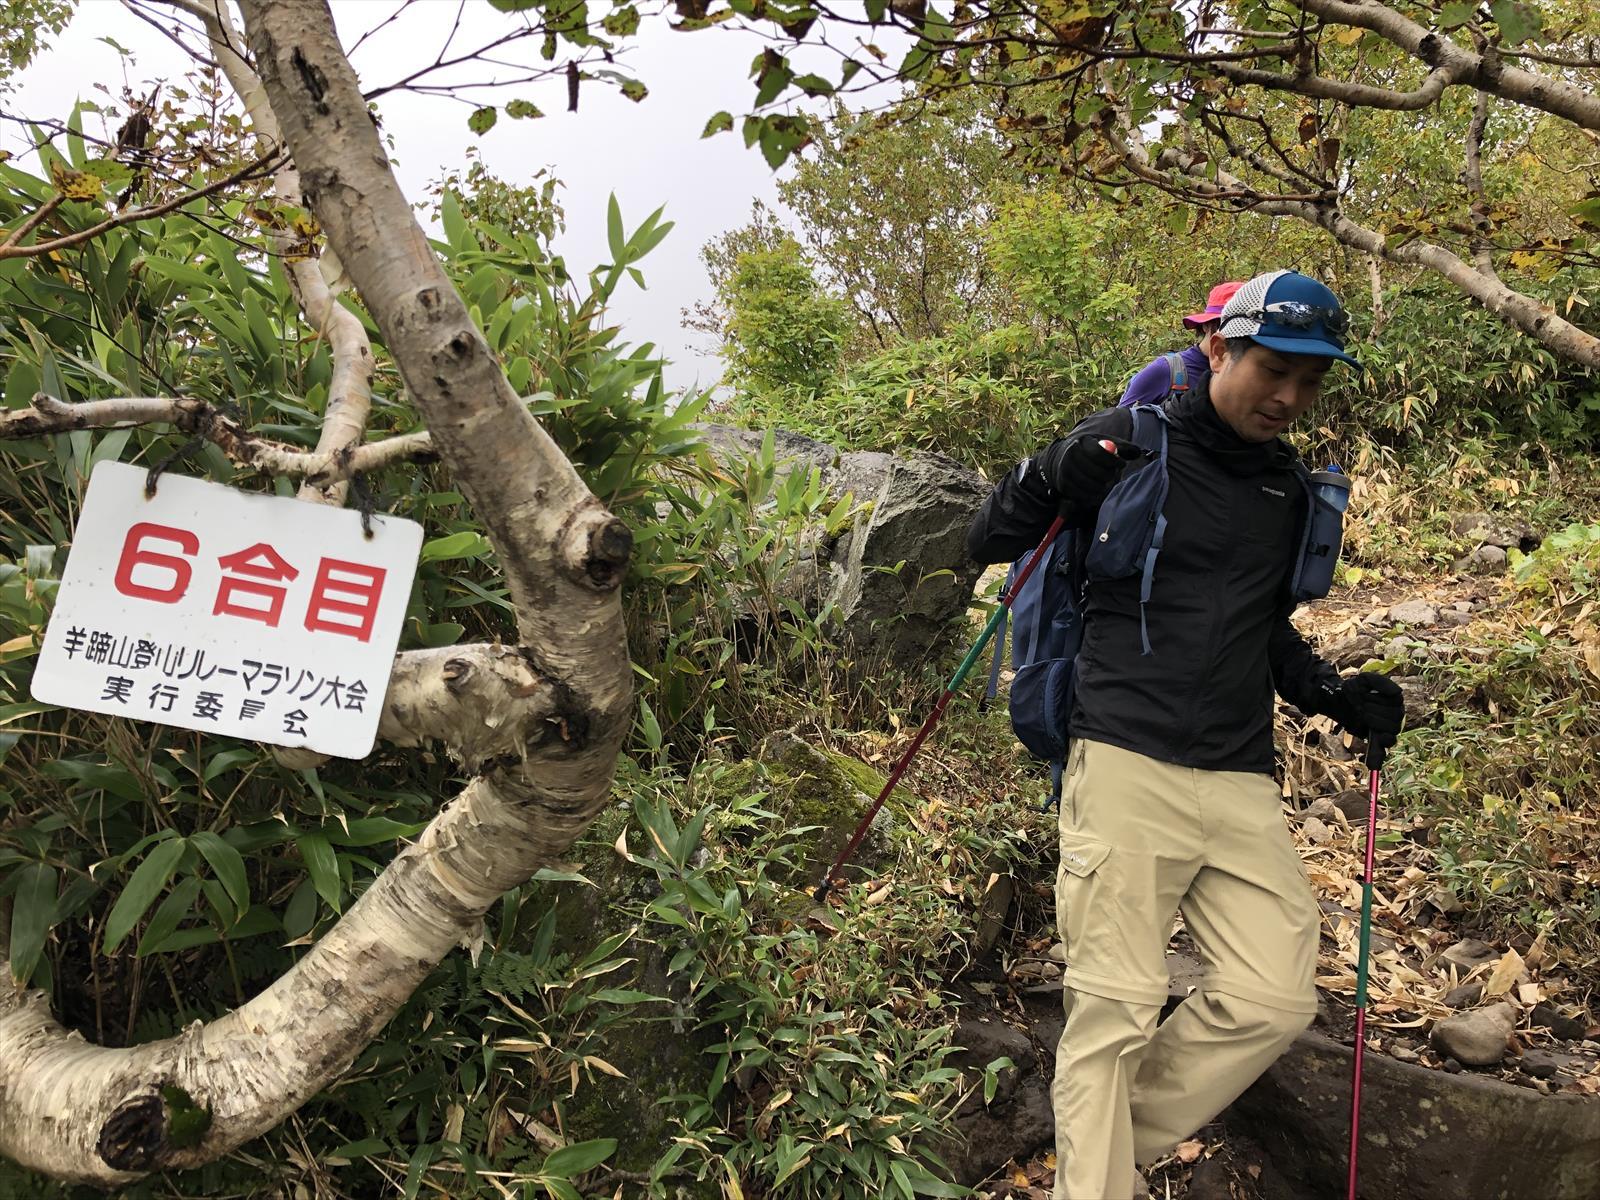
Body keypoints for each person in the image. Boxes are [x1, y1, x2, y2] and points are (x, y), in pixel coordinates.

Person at [966, 270, 1405, 1200]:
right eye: (1274, 370)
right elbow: (990, 536)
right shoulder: (1130, 445)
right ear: (1219, 349)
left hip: (1239, 775)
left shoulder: (1286, 488)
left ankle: (1104, 1155)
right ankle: (1095, 1183)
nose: (1289, 397)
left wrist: (1333, 692)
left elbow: (1261, 626)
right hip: (1124, 753)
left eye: (1311, 381)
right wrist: (1052, 472)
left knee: (1275, 998)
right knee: (1115, 1009)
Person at [1118, 280, 1245, 408]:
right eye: (1229, 327)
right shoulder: (1166, 370)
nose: (1238, 336)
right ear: (1206, 325)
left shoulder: (1245, 377)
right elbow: (1119, 424)